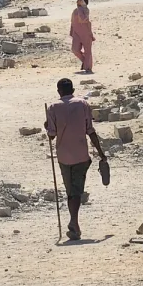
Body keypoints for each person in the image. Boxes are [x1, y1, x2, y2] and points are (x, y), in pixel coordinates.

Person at [44, 78, 106, 241]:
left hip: (64, 156)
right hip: (81, 154)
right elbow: (90, 131)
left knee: (70, 190)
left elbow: (52, 135)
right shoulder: (83, 104)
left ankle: (74, 223)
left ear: (59, 91)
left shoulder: (52, 108)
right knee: (77, 190)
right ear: (72, 90)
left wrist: (47, 127)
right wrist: (101, 153)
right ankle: (74, 221)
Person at [70, 0, 94, 73]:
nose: (78, 1)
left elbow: (83, 19)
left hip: (86, 33)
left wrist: (81, 7)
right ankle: (85, 62)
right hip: (76, 33)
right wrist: (71, 32)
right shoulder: (75, 11)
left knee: (88, 51)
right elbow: (72, 22)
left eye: (81, 0)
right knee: (75, 50)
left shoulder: (86, 10)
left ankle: (88, 68)